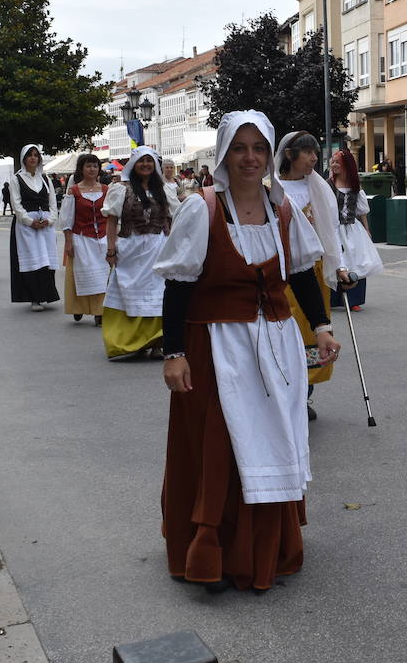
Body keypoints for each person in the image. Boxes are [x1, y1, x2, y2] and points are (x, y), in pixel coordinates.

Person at [154, 110, 340, 593]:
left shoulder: (283, 211)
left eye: (259, 149)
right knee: (220, 444)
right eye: (240, 148)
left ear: (270, 156)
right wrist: (174, 351)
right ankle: (212, 547)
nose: (250, 158)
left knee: (273, 437)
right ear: (224, 154)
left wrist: (320, 327)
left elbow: (300, 273)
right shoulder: (202, 209)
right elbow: (177, 284)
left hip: (275, 343)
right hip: (214, 342)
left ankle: (267, 545)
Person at [277, 131, 344, 421]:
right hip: (281, 273)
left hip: (312, 272)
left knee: (313, 329)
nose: (314, 158)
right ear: (290, 155)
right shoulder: (273, 189)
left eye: (315, 152)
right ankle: (282, 393)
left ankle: (305, 395)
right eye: (307, 152)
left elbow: (332, 231)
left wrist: (339, 265)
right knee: (284, 331)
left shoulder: (320, 188)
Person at [102, 147, 171, 359]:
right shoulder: (121, 189)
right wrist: (111, 249)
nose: (146, 165)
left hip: (158, 247)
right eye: (142, 161)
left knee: (159, 294)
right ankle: (133, 343)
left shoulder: (164, 189)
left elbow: (171, 219)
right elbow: (112, 219)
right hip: (131, 247)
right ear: (134, 164)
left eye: (150, 161)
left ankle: (158, 342)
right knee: (131, 293)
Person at [327, 149, 383, 312]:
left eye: (337, 162)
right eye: (333, 161)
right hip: (334, 228)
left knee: (357, 261)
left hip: (352, 228)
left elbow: (362, 211)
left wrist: (367, 230)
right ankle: (332, 299)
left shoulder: (355, 187)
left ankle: (354, 299)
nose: (334, 164)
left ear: (346, 165)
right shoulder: (328, 185)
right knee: (336, 262)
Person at [8, 144, 60, 312]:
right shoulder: (16, 179)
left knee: (46, 260)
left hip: (45, 225)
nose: (33, 158)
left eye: (35, 155)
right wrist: (30, 222)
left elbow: (52, 202)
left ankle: (46, 294)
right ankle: (34, 297)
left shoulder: (45, 179)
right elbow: (16, 205)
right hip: (27, 226)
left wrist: (50, 219)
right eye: (30, 155)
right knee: (32, 260)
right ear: (24, 159)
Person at [58, 154, 109, 325]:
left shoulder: (106, 189)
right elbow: (66, 219)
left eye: (95, 166)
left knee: (103, 276)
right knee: (82, 276)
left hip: (102, 238)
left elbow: (111, 215)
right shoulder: (74, 191)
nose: (92, 169)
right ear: (81, 169)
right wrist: (68, 241)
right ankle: (79, 307)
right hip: (82, 238)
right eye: (88, 166)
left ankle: (99, 311)